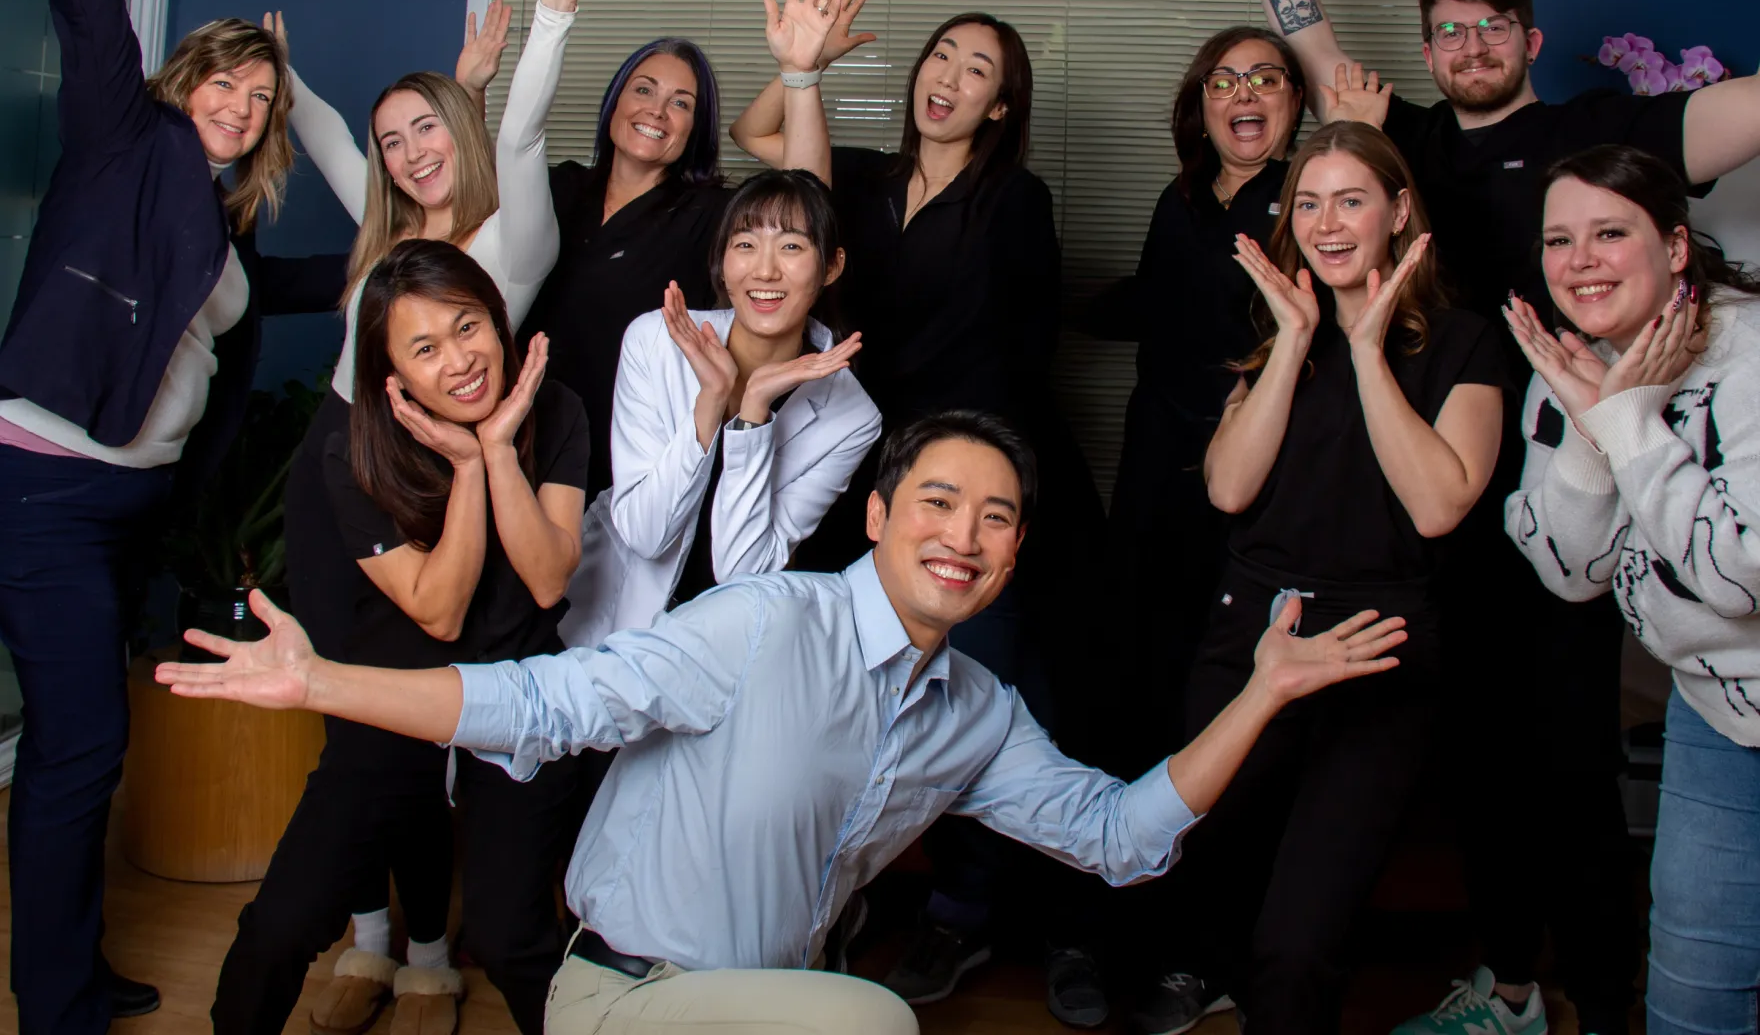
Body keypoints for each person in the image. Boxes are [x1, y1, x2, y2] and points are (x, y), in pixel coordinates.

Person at [157, 409, 1415, 1035]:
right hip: (628, 995)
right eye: (935, 501)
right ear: (875, 517)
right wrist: (317, 682)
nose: (960, 536)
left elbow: (1120, 834)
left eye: (994, 518)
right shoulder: (762, 623)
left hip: (767, 1009)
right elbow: (541, 700)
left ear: (1017, 551)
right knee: (873, 1019)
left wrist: (1262, 689)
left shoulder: (973, 713)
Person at [1219, 0, 1760, 1035]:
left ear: (1526, 40)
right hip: (1444, 507)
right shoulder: (1401, 142)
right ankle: (1510, 988)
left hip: (1591, 485)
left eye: (1490, 28)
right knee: (1476, 777)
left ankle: (1613, 999)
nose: (1469, 46)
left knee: (1568, 771)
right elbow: (1310, 49)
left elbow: (1737, 115)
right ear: (1430, 50)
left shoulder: (1594, 137)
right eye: (1448, 32)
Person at [0, 0, 343, 1032]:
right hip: (40, 486)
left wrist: (410, 249)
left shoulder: (219, 224)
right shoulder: (123, 138)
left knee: (83, 750)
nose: (242, 107)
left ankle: (70, 974)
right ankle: (58, 1001)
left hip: (127, 506)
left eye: (261, 100)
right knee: (81, 749)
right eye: (228, 83)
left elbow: (296, 285)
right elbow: (92, 15)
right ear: (183, 81)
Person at [731, 0, 1116, 1020]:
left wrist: (977, 498)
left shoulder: (1014, 200)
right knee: (888, 705)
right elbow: (764, 140)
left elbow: (1018, 357)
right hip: (872, 482)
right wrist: (798, 67)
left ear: (1001, 103)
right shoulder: (854, 180)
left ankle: (1070, 928)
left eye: (976, 67)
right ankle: (952, 915)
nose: (947, 76)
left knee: (1011, 708)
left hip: (979, 483)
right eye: (940, 54)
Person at [267, 0, 597, 1027]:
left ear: (460, 126)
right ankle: (370, 942)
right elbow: (319, 136)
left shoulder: (510, 232)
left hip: (442, 478)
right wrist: (283, 76)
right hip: (339, 466)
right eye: (392, 137)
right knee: (346, 715)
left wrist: (553, 12)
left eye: (427, 130)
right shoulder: (389, 231)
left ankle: (423, 948)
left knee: (407, 716)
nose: (409, 153)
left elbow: (515, 135)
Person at [1145, 121, 1501, 1035]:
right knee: (1218, 876)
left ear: (1399, 212)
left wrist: (1370, 348)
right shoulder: (1276, 338)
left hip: (1376, 651)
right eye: (1309, 202)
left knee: (1302, 938)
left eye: (1351, 200)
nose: (1328, 222)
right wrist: (1303, 340)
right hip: (1250, 639)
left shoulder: (1463, 344)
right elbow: (1228, 487)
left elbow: (1437, 506)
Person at [210, 241, 593, 1035]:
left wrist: (495, 450)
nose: (460, 360)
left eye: (469, 326)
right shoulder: (352, 449)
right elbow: (439, 610)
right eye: (426, 348)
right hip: (395, 690)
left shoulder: (555, 408)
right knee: (281, 927)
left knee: (513, 937)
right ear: (392, 375)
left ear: (497, 318)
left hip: (517, 692)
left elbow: (550, 577)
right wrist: (465, 474)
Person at [1502, 146, 1760, 1035]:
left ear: (1677, 246)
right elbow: (1569, 572)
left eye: (1610, 233)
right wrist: (1586, 429)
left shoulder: (1749, 352)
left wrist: (1623, 420)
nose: (1580, 262)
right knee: (1692, 994)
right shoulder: (1569, 363)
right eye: (1559, 239)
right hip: (1717, 712)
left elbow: (1736, 574)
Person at [1086, 26, 1308, 731]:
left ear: (1296, 102)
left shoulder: (1312, 198)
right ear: (1203, 107)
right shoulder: (1177, 198)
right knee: (1137, 627)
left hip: (1258, 453)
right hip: (1158, 444)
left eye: (1265, 78)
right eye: (1224, 82)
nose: (1244, 93)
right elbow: (1157, 301)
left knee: (1230, 637)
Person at [559, 168, 880, 648]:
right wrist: (710, 404)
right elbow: (645, 536)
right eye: (745, 245)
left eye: (791, 247)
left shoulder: (851, 417)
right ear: (723, 261)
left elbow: (741, 572)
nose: (764, 270)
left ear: (831, 267)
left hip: (724, 648)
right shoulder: (655, 342)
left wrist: (753, 415)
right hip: (610, 629)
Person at [520, 34, 731, 504]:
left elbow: (803, 211)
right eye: (643, 89)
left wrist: (799, 74)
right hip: (519, 438)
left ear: (696, 128)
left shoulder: (708, 215)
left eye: (680, 102)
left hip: (622, 465)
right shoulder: (557, 187)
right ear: (615, 98)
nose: (656, 111)